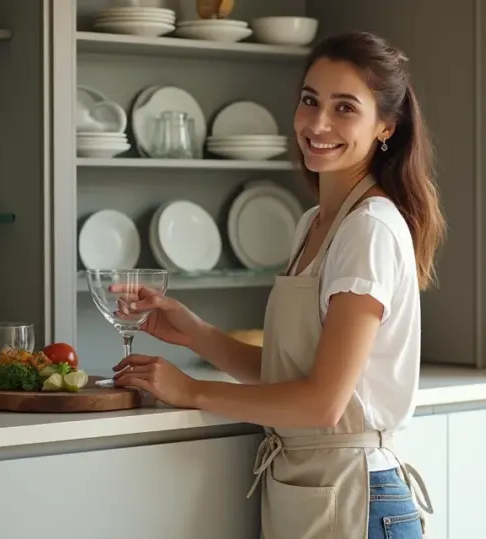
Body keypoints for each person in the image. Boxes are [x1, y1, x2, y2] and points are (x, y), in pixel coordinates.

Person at [110, 30, 446, 539]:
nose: (317, 123)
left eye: (344, 108)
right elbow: (287, 375)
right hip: (314, 489)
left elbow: (322, 403)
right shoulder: (314, 222)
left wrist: (191, 390)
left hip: (359, 500)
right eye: (310, 101)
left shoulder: (368, 228)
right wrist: (194, 331)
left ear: (386, 127)